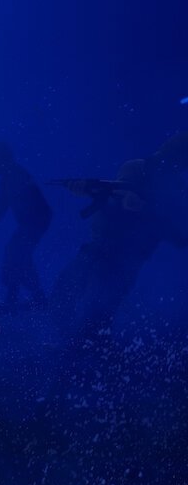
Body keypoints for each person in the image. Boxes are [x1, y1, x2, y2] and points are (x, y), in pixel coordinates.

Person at [51, 132, 188, 344]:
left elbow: (179, 236)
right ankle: (63, 344)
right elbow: (114, 195)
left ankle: (89, 352)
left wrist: (145, 210)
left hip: (125, 259)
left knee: (98, 316)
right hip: (99, 246)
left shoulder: (175, 191)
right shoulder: (135, 168)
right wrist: (91, 192)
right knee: (64, 294)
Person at [0, 142, 53, 311]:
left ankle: (27, 298)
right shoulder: (10, 176)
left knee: (16, 254)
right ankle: (22, 298)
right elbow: (2, 206)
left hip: (35, 221)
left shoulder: (15, 175)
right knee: (17, 255)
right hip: (32, 222)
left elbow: (2, 207)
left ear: (3, 160)